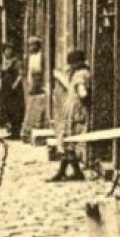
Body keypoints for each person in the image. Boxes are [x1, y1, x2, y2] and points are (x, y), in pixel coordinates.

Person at [52, 49, 92, 181]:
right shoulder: (82, 73)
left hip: (76, 111)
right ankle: (72, 172)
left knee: (69, 140)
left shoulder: (80, 75)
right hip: (73, 110)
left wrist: (82, 97)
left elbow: (83, 92)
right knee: (68, 141)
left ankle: (65, 172)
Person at [0, 50, 26, 140]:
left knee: (15, 110)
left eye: (8, 51)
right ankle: (11, 130)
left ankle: (16, 132)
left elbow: (20, 75)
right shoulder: (5, 62)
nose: (6, 53)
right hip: (6, 91)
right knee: (7, 110)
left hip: (14, 91)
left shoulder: (16, 62)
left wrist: (15, 84)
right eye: (5, 51)